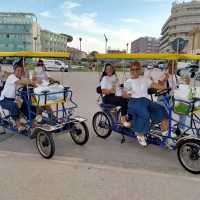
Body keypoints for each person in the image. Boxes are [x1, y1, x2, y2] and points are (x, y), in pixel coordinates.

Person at [122, 61, 176, 147]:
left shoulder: (144, 78)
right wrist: (126, 94)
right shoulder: (128, 81)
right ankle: (140, 135)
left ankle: (165, 131)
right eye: (133, 69)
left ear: (140, 69)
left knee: (160, 108)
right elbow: (128, 94)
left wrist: (166, 88)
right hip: (134, 101)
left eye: (137, 69)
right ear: (130, 70)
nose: (135, 71)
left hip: (144, 100)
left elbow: (155, 85)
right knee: (145, 115)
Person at [0, 64, 42, 132]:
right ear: (14, 71)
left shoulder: (22, 78)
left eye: (21, 71)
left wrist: (38, 85)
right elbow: (20, 82)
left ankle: (32, 123)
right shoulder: (12, 77)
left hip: (15, 99)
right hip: (4, 100)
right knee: (13, 105)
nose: (20, 72)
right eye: (18, 70)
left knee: (28, 104)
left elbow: (27, 83)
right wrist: (34, 82)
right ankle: (19, 125)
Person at [157, 61, 190, 133]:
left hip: (173, 98)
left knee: (183, 112)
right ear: (167, 66)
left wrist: (187, 83)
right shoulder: (163, 75)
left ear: (176, 66)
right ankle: (165, 131)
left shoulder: (177, 77)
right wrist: (165, 79)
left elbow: (180, 89)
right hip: (163, 98)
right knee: (166, 115)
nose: (172, 66)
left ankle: (180, 130)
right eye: (170, 64)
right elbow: (158, 86)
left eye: (174, 65)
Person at [100, 63, 130, 127]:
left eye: (111, 69)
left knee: (129, 99)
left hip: (114, 94)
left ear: (113, 69)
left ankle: (129, 117)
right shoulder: (105, 78)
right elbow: (103, 91)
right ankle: (123, 120)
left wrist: (123, 88)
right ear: (105, 71)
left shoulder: (113, 77)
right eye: (107, 69)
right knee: (123, 100)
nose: (109, 70)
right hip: (107, 96)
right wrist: (111, 89)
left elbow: (118, 87)